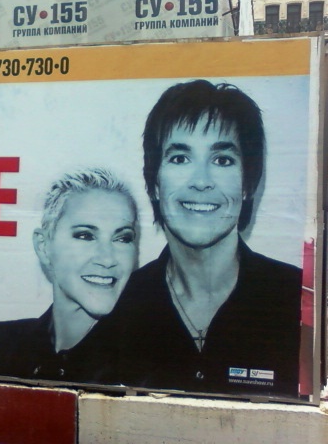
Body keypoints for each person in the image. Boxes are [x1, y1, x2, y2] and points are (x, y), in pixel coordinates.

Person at [115, 80, 301, 396]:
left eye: (222, 160)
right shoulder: (120, 304)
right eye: (180, 158)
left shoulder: (297, 299)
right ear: (155, 184)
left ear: (247, 184)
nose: (201, 181)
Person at [0, 168, 138, 383]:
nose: (107, 258)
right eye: (85, 235)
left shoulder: (147, 360)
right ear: (44, 246)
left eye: (123, 238)